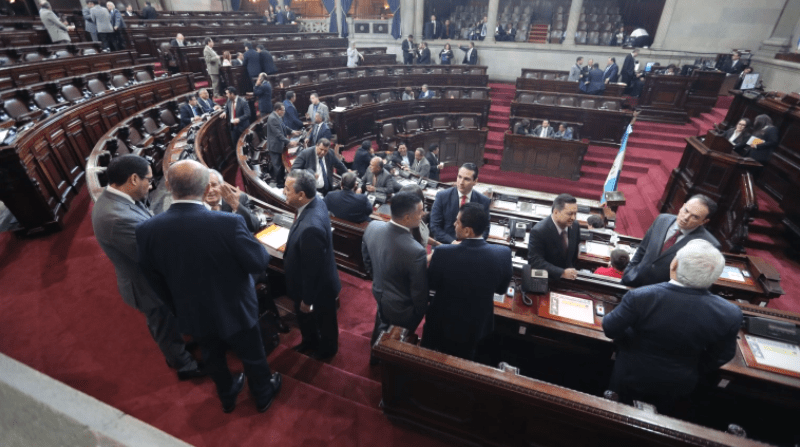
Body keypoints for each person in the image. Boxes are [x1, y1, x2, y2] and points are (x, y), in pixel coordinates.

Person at [137, 160, 280, 414]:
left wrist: (178, 308)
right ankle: (263, 394)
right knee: (252, 354)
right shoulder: (228, 223)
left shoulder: (146, 230)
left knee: (212, 355)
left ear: (168, 185)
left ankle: (227, 394)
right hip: (236, 307)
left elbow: (154, 279)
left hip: (192, 311)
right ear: (205, 188)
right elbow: (259, 261)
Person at [91, 155, 204, 382]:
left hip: (147, 278)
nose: (151, 186)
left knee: (166, 322)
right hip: (146, 285)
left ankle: (178, 350)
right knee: (163, 326)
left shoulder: (119, 199)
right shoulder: (114, 217)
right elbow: (153, 255)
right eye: (149, 180)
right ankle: (184, 365)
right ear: (133, 179)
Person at [603, 240, 742, 414]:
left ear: (674, 264)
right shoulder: (730, 313)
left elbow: (610, 328)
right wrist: (692, 366)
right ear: (715, 276)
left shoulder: (641, 296)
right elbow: (722, 355)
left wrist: (629, 340)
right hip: (680, 382)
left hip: (631, 373)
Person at [422, 202, 512, 360]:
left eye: (457, 221)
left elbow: (431, 284)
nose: (454, 224)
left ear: (467, 230)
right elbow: (500, 290)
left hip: (441, 322)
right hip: (477, 325)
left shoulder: (443, 253)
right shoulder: (503, 253)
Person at [362, 192, 428, 364]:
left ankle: (374, 356)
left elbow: (366, 257)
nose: (423, 214)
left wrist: (377, 277)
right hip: (402, 307)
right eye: (420, 211)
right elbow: (419, 291)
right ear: (407, 217)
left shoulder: (373, 226)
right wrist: (419, 312)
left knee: (381, 322)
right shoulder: (416, 251)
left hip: (379, 292)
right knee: (395, 339)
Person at [282, 170, 341, 360]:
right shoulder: (315, 202)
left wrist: (307, 300)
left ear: (301, 194)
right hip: (310, 283)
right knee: (307, 320)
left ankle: (326, 352)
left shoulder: (311, 228)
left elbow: (312, 271)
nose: (283, 191)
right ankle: (310, 342)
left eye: (287, 189)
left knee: (325, 322)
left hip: (318, 289)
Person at [622, 195, 720, 287]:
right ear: (683, 206)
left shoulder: (709, 244)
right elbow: (642, 249)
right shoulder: (662, 219)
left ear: (704, 221)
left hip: (661, 293)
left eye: (695, 217)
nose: (686, 218)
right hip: (633, 280)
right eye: (686, 210)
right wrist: (628, 272)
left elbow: (694, 280)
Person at [430, 163, 491, 244]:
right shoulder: (442, 196)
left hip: (471, 247)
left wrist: (472, 244)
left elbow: (485, 229)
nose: (461, 182)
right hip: (446, 244)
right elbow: (435, 226)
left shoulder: (483, 201)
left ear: (475, 181)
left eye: (466, 179)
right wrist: (453, 242)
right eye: (459, 177)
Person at [527, 193, 581, 281]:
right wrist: (561, 272)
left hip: (570, 279)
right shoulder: (539, 231)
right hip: (548, 279)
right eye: (570, 214)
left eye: (575, 213)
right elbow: (535, 262)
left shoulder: (575, 226)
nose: (573, 218)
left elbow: (574, 255)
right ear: (556, 212)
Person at [266, 102, 298, 187]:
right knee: (277, 166)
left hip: (279, 145)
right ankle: (279, 184)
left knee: (281, 165)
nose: (284, 111)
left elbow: (284, 127)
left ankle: (282, 180)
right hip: (275, 147)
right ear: (278, 110)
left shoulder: (278, 116)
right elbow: (278, 134)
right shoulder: (272, 118)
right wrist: (289, 142)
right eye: (283, 110)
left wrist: (292, 131)